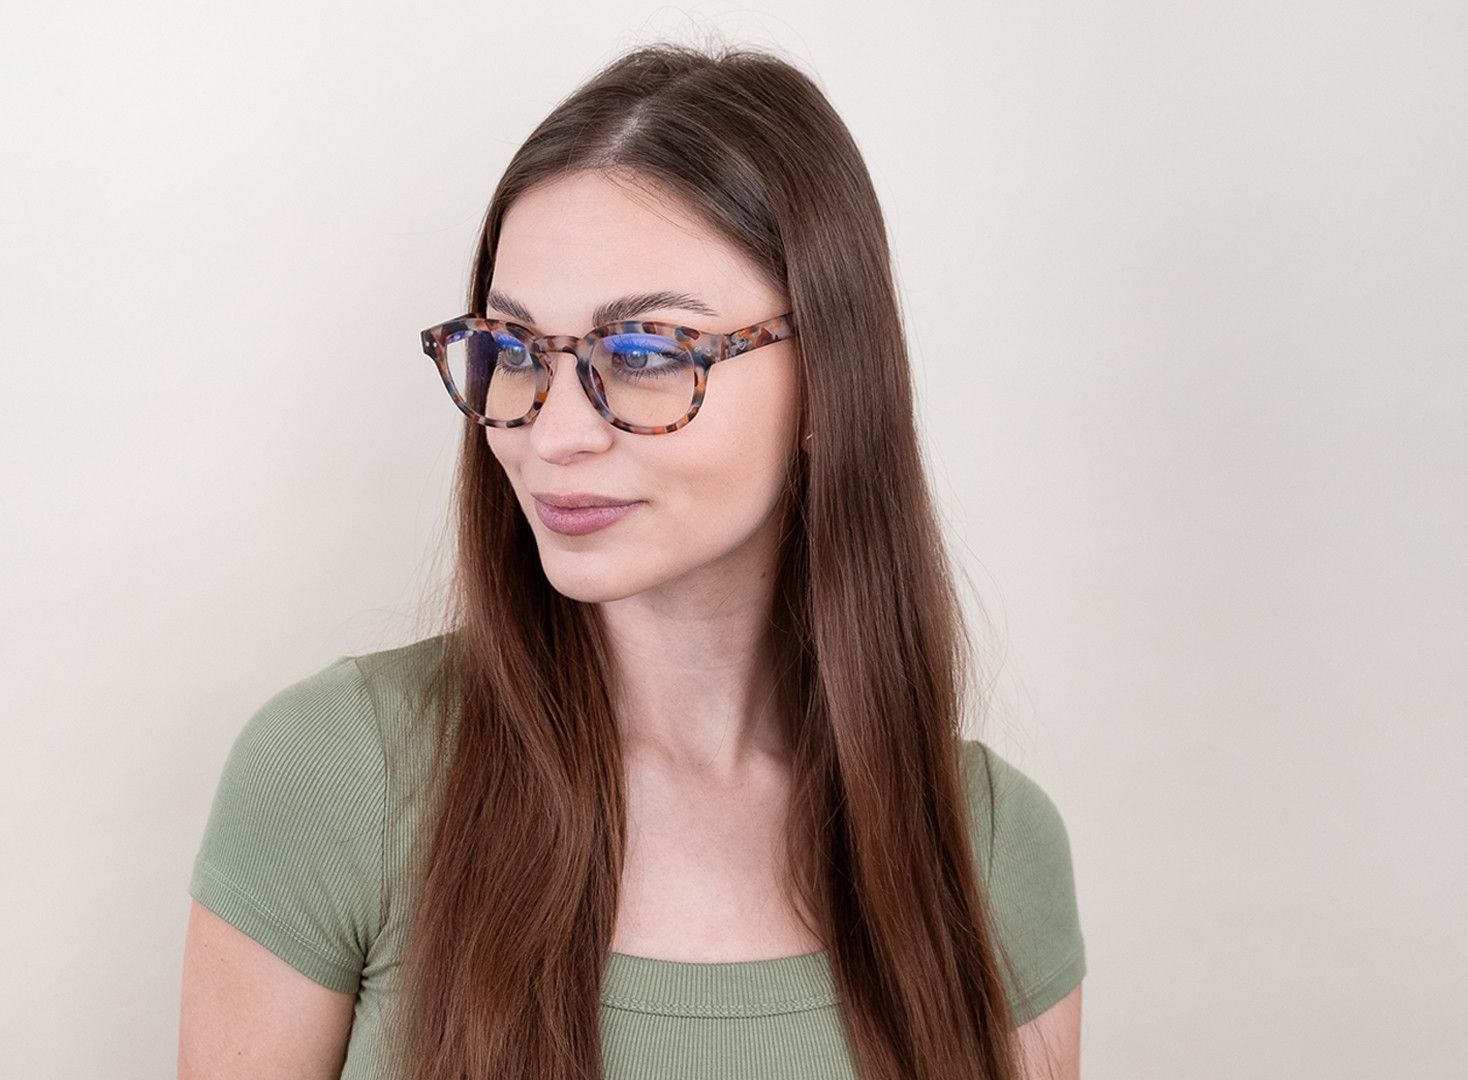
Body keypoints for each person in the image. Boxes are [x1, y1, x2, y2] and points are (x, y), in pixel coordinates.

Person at [179, 41, 1086, 1080]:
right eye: (514, 350)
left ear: (829, 383)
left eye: (647, 354)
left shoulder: (992, 850)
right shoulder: (338, 775)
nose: (553, 433)